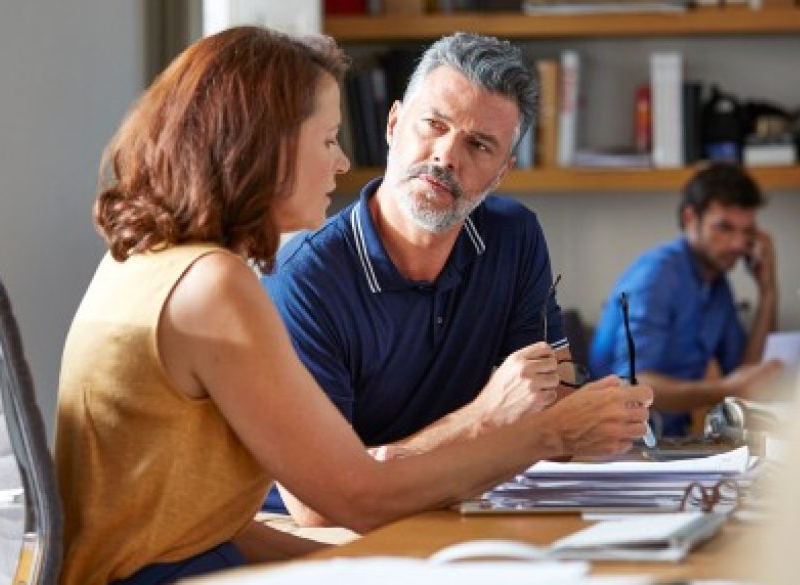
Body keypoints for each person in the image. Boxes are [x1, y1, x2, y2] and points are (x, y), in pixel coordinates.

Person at [54, 26, 653, 585]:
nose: (341, 163)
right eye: (328, 139)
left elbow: (203, 526)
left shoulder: (146, 262)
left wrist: (395, 561)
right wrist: (543, 435)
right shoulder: (214, 287)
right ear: (262, 146)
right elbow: (352, 497)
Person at [260, 32, 645, 526]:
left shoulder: (515, 236)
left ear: (501, 172)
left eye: (478, 144)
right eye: (433, 125)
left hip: (463, 509)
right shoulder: (304, 281)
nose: (445, 156)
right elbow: (318, 504)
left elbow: (557, 404)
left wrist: (598, 417)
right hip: (328, 539)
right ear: (394, 124)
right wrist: (485, 418)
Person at [589, 163, 783, 437]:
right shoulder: (656, 277)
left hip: (667, 440)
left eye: (747, 231)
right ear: (690, 218)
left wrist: (768, 291)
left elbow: (746, 374)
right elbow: (631, 386)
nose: (739, 244)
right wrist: (725, 390)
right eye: (724, 228)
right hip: (617, 444)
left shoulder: (716, 284)